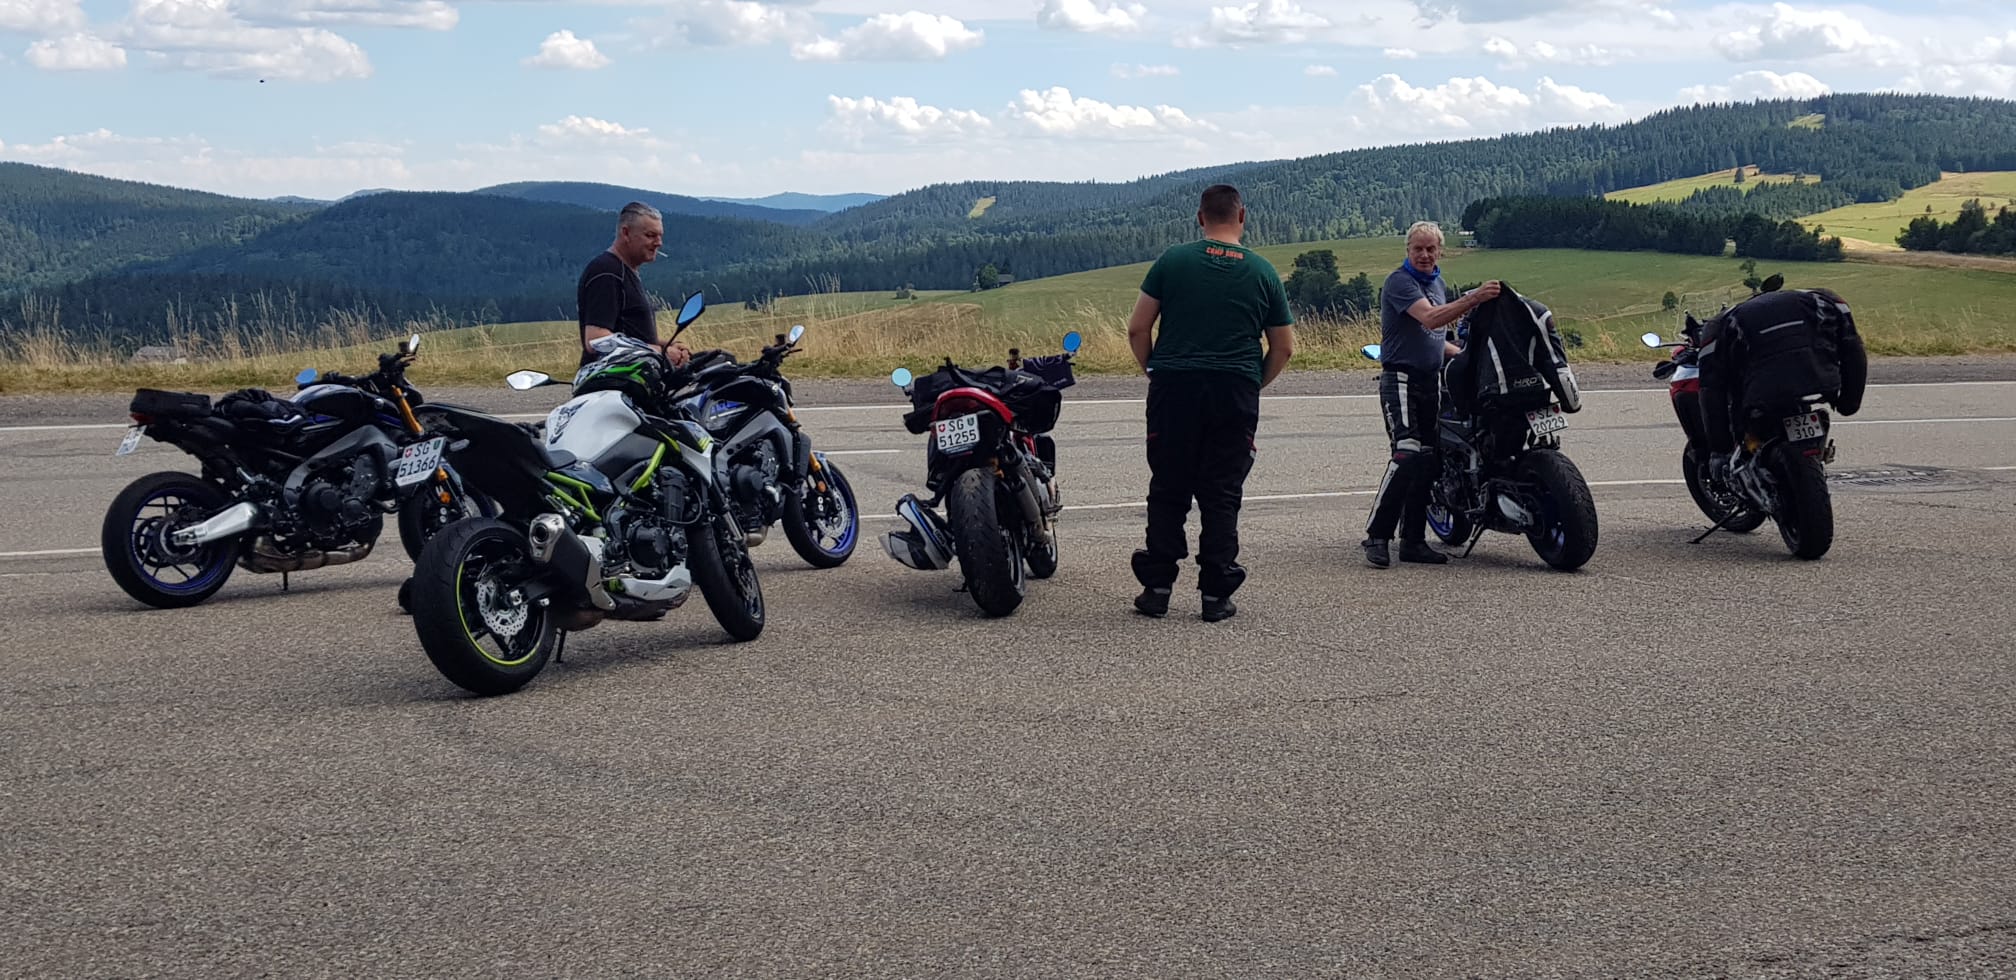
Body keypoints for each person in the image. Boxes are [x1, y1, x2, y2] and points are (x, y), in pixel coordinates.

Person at [1124, 183, 1296, 623]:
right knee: (1222, 492)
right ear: (1242, 216)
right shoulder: (1262, 271)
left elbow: (1138, 328)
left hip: (1175, 385)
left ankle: (1157, 588)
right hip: (1234, 387)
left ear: (1200, 218)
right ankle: (1216, 595)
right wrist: (1253, 383)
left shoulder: (1172, 261)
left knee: (1169, 487)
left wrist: (1153, 370)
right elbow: (1283, 347)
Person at [1361, 220, 1499, 569]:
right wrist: (1474, 298)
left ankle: (1413, 541)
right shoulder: (1400, 282)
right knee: (1406, 453)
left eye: (1430, 249)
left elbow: (1437, 340)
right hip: (1400, 378)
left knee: (1429, 460)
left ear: (1440, 251)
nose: (1424, 255)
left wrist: (1467, 355)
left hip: (1430, 380)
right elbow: (1432, 320)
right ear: (1407, 250)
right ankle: (1377, 535)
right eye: (1418, 249)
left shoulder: (1436, 282)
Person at [1696, 283, 1867, 485]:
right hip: (1817, 379)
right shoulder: (1825, 300)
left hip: (1763, 392)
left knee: (1740, 412)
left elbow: (1711, 389)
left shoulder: (1720, 325)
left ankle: (1749, 455)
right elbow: (1853, 349)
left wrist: (1720, 451)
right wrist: (1849, 402)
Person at [577, 201, 690, 369]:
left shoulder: (624, 270)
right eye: (650, 235)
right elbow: (597, 340)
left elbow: (635, 337)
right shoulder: (607, 272)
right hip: (614, 379)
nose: (659, 243)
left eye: (660, 236)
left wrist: (669, 346)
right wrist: (661, 352)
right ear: (626, 233)